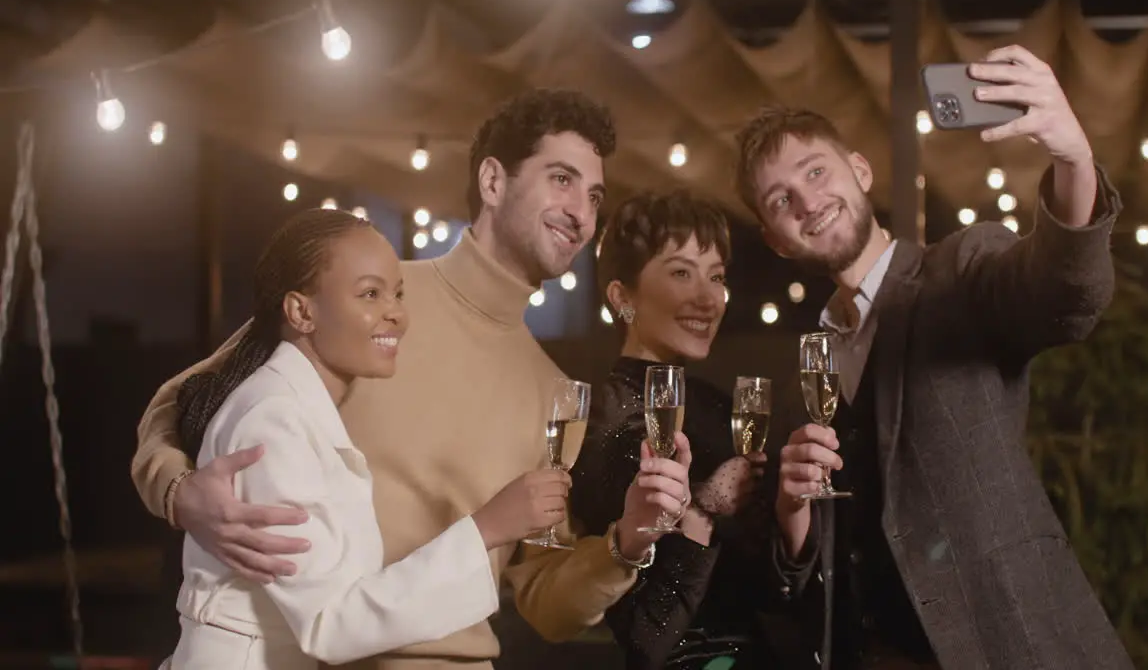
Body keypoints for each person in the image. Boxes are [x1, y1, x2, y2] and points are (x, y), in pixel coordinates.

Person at [132, 89, 692, 670]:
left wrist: (627, 543)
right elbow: (179, 406)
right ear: (493, 182)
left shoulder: (555, 393)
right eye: (561, 179)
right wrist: (178, 493)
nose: (581, 212)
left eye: (594, 195)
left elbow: (546, 607)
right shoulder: (367, 299)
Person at [734, 47, 1136, 669]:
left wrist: (1072, 158)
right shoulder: (803, 381)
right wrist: (792, 513)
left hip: (1010, 645)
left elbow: (1064, 293)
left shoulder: (961, 270)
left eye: (816, 173)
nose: (807, 203)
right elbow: (800, 573)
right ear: (774, 239)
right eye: (781, 200)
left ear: (860, 170)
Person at [162, 208, 563, 669]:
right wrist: (487, 528)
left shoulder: (297, 409)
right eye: (370, 294)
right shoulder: (272, 422)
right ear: (301, 311)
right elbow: (328, 623)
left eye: (397, 294)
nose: (396, 314)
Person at [572, 189, 804, 669]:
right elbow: (647, 636)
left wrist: (792, 506)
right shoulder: (609, 426)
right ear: (623, 298)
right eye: (681, 272)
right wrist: (704, 509)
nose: (707, 298)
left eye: (716, 276)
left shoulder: (715, 404)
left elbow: (775, 591)